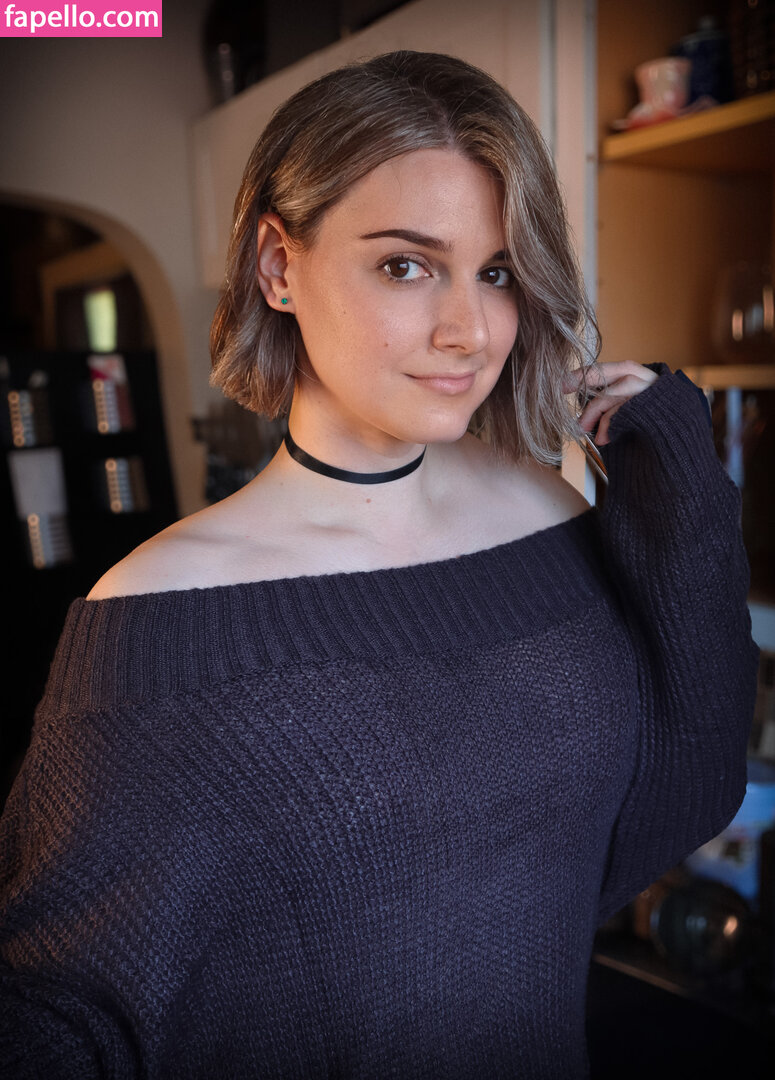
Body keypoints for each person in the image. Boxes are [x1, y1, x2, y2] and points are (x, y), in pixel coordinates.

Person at [0, 50, 758, 1079]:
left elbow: (688, 779)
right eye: (405, 265)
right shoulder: (158, 618)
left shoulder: (549, 512)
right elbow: (55, 1018)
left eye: (496, 272)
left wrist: (674, 478)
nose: (468, 331)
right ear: (278, 266)